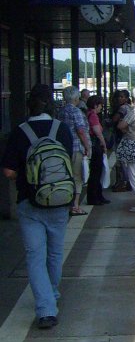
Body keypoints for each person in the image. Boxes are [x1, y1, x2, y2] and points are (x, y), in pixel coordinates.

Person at [1, 83, 74, 329]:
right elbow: (70, 162)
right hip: (60, 201)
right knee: (54, 253)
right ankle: (50, 296)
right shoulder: (61, 129)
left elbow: (9, 171)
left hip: (29, 203)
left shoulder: (20, 132)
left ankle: (45, 309)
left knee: (35, 256)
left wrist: (26, 177)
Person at [60, 85, 91, 216]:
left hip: (62, 149)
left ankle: (65, 203)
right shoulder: (76, 111)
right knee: (77, 177)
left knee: (65, 176)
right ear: (75, 98)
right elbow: (81, 131)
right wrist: (88, 147)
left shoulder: (60, 112)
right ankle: (75, 206)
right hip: (76, 148)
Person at [85, 94, 110, 206]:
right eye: (100, 105)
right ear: (95, 105)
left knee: (96, 172)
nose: (101, 108)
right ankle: (94, 197)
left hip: (93, 146)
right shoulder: (93, 116)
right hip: (96, 147)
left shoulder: (87, 114)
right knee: (96, 172)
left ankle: (98, 196)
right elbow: (98, 133)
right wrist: (104, 145)